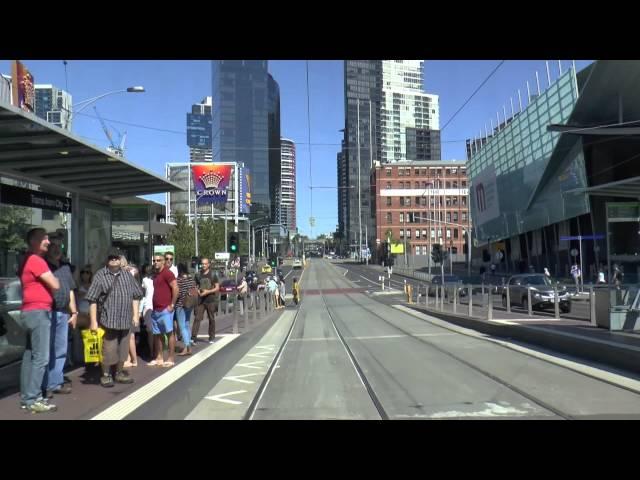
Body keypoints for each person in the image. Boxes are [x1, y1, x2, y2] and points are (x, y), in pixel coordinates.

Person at [16, 228, 61, 413]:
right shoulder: (35, 260)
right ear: (34, 240)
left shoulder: (27, 259)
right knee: (41, 357)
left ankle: (27, 397)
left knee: (30, 356)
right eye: (45, 238)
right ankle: (33, 398)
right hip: (38, 312)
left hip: (29, 312)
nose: (48, 242)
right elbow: (56, 284)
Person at [85, 247, 143, 388]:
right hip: (108, 320)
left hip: (126, 319)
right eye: (111, 257)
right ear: (107, 259)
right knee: (108, 350)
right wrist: (93, 322)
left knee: (123, 350)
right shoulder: (100, 276)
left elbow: (136, 295)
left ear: (121, 259)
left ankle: (119, 372)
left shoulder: (127, 275)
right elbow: (92, 299)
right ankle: (106, 375)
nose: (114, 260)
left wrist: (135, 315)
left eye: (116, 257)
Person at [42, 243, 77, 398]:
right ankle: (44, 386)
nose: (56, 250)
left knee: (60, 350)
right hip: (47, 312)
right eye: (53, 247)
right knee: (46, 350)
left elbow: (70, 290)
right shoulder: (43, 266)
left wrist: (74, 312)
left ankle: (55, 383)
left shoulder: (65, 268)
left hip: (63, 312)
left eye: (59, 247)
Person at [149, 254, 179, 367]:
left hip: (165, 309)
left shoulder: (167, 273)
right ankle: (159, 357)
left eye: (158, 260)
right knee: (157, 334)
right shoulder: (156, 275)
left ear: (163, 262)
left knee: (169, 333)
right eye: (154, 260)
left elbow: (176, 288)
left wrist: (172, 304)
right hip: (156, 309)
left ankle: (171, 358)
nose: (156, 262)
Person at [192, 258, 220, 345]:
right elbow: (195, 286)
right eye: (202, 264)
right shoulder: (198, 275)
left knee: (211, 318)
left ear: (208, 265)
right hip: (200, 300)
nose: (203, 265)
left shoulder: (213, 275)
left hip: (210, 300)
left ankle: (211, 337)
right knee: (197, 318)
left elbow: (217, 287)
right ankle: (193, 338)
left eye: (205, 264)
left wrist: (208, 292)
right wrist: (197, 291)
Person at [175, 263, 197, 356]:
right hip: (190, 304)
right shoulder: (190, 279)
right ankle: (189, 347)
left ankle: (186, 347)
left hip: (181, 305)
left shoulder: (179, 280)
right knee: (187, 324)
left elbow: (177, 293)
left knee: (182, 326)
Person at [123, 257, 140, 368]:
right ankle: (129, 358)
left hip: (129, 309)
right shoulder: (129, 273)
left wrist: (136, 314)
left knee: (130, 336)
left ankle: (133, 359)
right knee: (128, 336)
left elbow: (136, 296)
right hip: (128, 309)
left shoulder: (129, 274)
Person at [140, 264, 155, 360]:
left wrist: (139, 311)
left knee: (150, 332)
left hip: (148, 305)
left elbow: (142, 296)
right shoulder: (156, 280)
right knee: (156, 331)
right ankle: (158, 351)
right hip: (156, 305)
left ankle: (152, 351)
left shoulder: (144, 280)